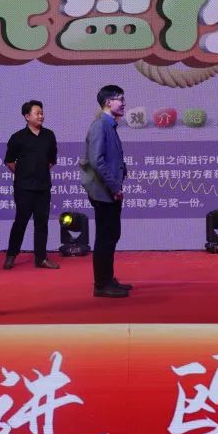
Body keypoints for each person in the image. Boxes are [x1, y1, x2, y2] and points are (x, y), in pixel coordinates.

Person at [80, 85, 132, 298]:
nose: (124, 103)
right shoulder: (100, 125)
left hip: (109, 190)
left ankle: (108, 279)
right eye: (120, 99)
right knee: (105, 237)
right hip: (104, 192)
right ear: (108, 102)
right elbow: (97, 161)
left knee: (111, 235)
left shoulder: (109, 125)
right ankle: (102, 284)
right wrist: (114, 187)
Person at [3, 100, 60, 270]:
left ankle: (41, 258)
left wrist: (39, 172)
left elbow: (52, 160)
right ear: (27, 116)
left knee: (41, 223)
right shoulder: (17, 137)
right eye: (37, 113)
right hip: (24, 188)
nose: (41, 116)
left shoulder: (49, 135)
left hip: (43, 187)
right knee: (20, 221)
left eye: (42, 113)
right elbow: (9, 161)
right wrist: (23, 174)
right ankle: (11, 255)